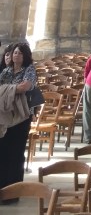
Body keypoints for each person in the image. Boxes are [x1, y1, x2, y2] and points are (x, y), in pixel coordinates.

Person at [0, 42, 37, 193]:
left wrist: (7, 89)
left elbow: (25, 87)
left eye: (20, 53)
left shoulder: (29, 69)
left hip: (22, 115)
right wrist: (13, 89)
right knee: (3, 150)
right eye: (15, 52)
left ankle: (14, 191)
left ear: (25, 55)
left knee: (16, 151)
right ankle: (3, 188)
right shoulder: (7, 70)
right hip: (6, 114)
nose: (16, 55)